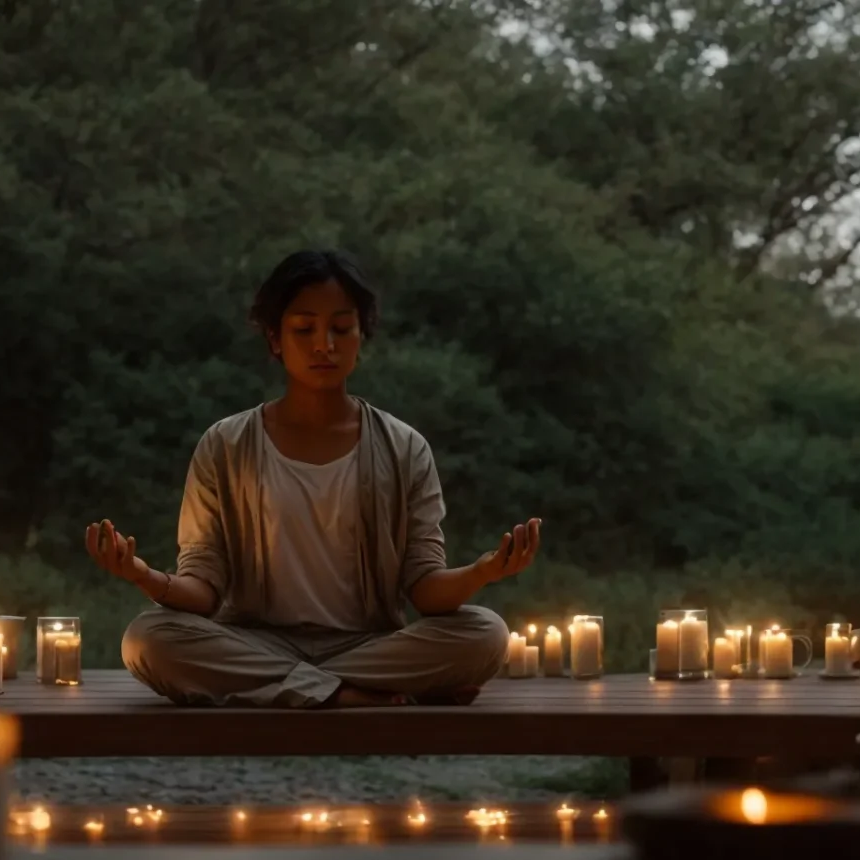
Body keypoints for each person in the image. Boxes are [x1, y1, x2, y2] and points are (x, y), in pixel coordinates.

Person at [86, 249, 541, 707]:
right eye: (304, 329)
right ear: (275, 338)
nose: (324, 344)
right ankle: (350, 693)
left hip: (366, 646)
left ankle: (305, 688)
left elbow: (424, 587)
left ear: (361, 335)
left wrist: (483, 571)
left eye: (341, 328)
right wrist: (143, 575)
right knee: (147, 638)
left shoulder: (404, 447)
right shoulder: (225, 444)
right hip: (258, 642)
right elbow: (203, 589)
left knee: (485, 633)